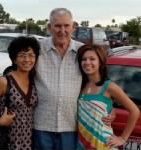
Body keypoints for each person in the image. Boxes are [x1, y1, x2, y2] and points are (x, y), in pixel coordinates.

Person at [32, 8, 114, 150]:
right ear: (49, 28)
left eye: (66, 26)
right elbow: (18, 76)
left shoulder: (83, 52)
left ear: (73, 27)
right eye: (57, 26)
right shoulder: (37, 50)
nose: (62, 30)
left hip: (71, 127)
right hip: (41, 125)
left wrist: (111, 109)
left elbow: (99, 83)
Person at [77, 44, 140, 149]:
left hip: (103, 145)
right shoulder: (79, 86)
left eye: (92, 59)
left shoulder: (109, 87)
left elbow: (135, 111)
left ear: (100, 62)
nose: (87, 62)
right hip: (82, 145)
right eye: (84, 59)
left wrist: (123, 138)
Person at [0, 36, 40, 150]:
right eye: (22, 56)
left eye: (31, 55)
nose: (27, 60)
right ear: (14, 59)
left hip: (29, 139)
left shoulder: (34, 81)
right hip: (6, 139)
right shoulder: (3, 82)